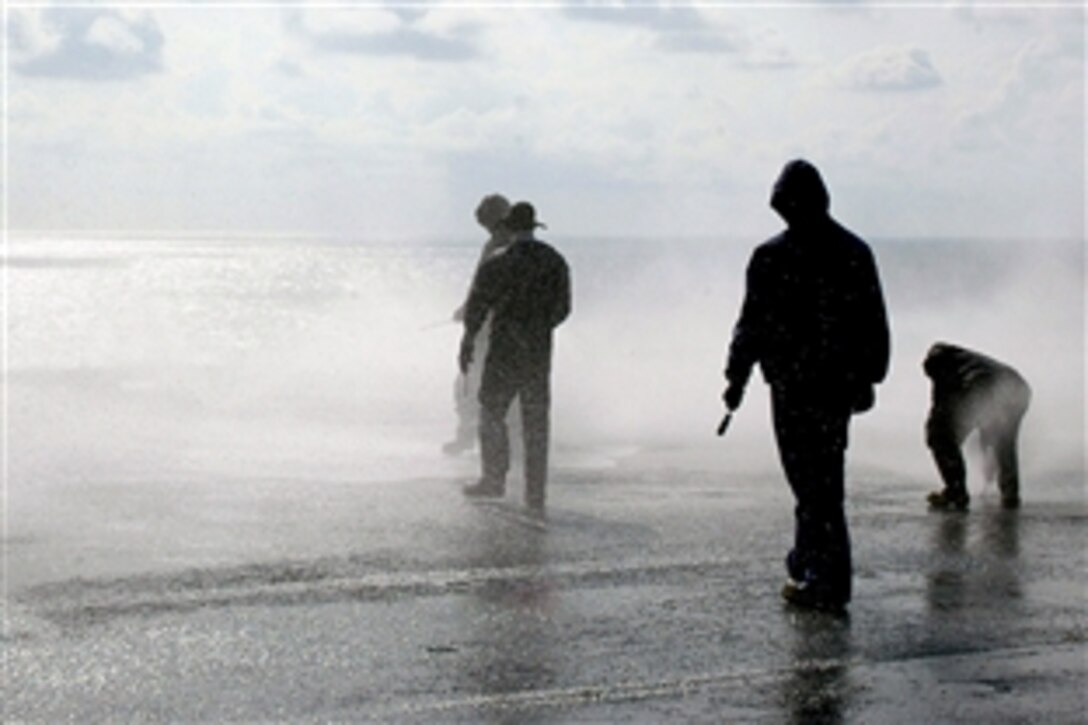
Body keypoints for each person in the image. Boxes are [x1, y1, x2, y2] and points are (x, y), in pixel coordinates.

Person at [722, 159, 890, 613]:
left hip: (795, 389)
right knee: (820, 482)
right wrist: (869, 377)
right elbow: (873, 323)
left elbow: (751, 326)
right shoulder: (854, 252)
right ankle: (807, 565)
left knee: (815, 486)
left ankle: (823, 578)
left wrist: (736, 377)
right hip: (834, 389)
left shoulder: (772, 256)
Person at [458, 201, 571, 509]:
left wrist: (467, 343)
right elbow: (563, 308)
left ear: (509, 227)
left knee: (492, 412)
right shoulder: (554, 260)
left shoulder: (498, 261)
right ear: (534, 227)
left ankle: (494, 480)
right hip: (538, 352)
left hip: (504, 351)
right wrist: (540, 328)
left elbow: (477, 310)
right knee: (536, 422)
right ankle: (536, 493)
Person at [443, 194, 514, 455]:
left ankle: (470, 438)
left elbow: (484, 285)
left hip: (493, 327)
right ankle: (474, 437)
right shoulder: (508, 244)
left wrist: (470, 310)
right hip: (503, 327)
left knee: (470, 380)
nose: (491, 231)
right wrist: (465, 307)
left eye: (489, 225)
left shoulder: (500, 246)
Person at [923, 342, 1031, 511]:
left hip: (987, 386)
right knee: (1003, 441)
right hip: (1018, 388)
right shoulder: (968, 361)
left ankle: (956, 491)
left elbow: (942, 407)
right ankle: (1010, 495)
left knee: (939, 436)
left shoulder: (939, 361)